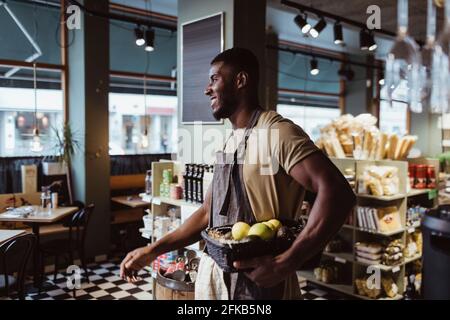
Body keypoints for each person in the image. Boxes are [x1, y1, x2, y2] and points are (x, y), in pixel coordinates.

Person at [120, 47, 356, 300]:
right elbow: (205, 214)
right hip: (214, 280)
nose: (206, 89)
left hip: (262, 286)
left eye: (214, 79)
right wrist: (153, 249)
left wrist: (286, 263)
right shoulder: (230, 142)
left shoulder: (278, 132)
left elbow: (338, 194)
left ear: (240, 80)